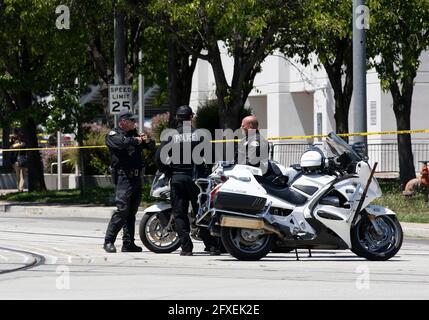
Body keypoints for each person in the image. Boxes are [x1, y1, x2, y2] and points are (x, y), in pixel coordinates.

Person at [156, 105, 220, 256]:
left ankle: (186, 248)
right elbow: (211, 156)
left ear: (177, 118)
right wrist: (206, 171)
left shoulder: (170, 136)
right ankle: (211, 246)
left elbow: (159, 158)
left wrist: (168, 171)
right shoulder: (200, 134)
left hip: (177, 178)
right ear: (191, 117)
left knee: (179, 214)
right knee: (202, 212)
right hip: (196, 179)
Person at [104, 108, 155, 253]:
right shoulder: (113, 134)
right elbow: (121, 143)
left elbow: (151, 147)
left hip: (136, 177)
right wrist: (136, 140)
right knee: (122, 210)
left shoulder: (135, 135)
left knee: (131, 212)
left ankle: (128, 243)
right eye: (131, 120)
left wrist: (147, 140)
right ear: (123, 122)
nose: (134, 123)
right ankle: (108, 241)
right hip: (123, 177)